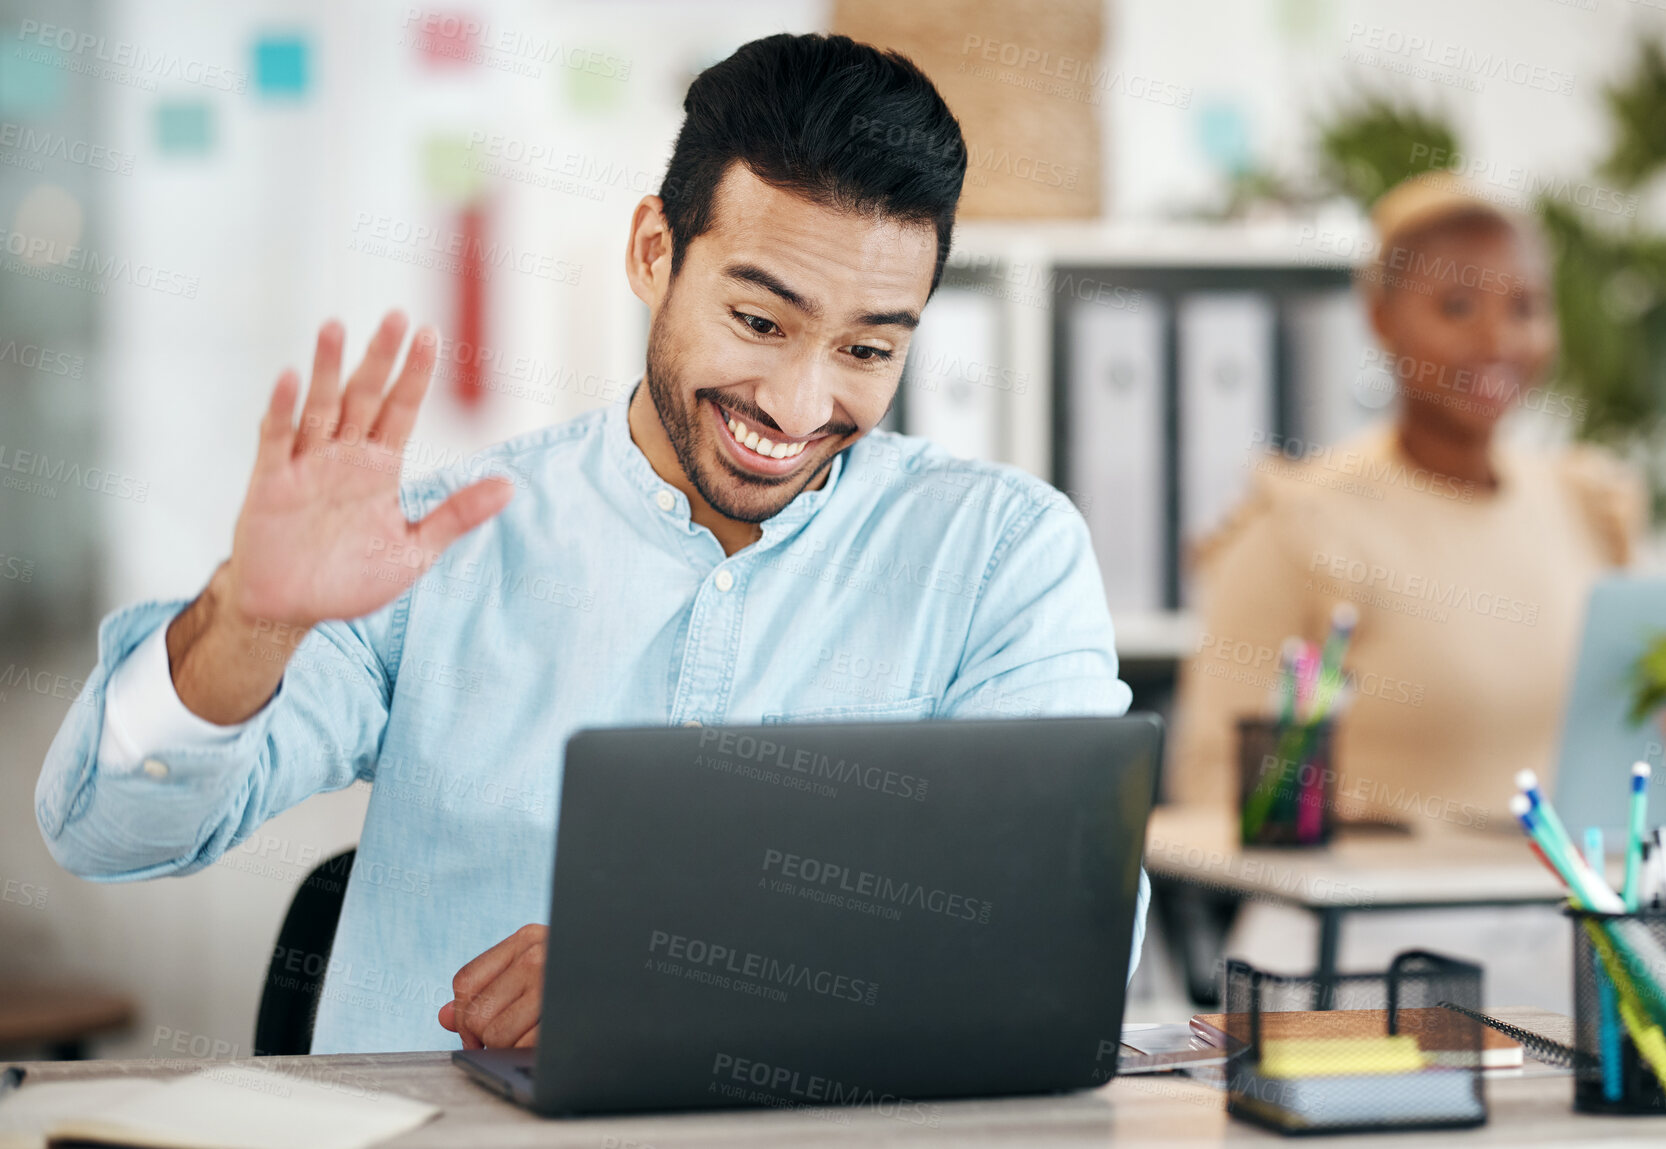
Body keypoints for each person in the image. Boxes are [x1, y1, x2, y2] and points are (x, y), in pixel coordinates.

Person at [36, 33, 1143, 1054]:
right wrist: (250, 621)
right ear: (653, 251)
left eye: (864, 348)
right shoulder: (439, 545)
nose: (799, 403)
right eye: (757, 322)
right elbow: (107, 828)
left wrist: (664, 974)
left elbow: (1061, 932)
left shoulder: (1000, 554)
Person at [1169, 174, 1645, 834]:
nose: (1496, 341)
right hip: (1367, 925)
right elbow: (1211, 787)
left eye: (1525, 308)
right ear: (1379, 318)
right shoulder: (1301, 521)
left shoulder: (1584, 506)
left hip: (1560, 919)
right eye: (1456, 307)